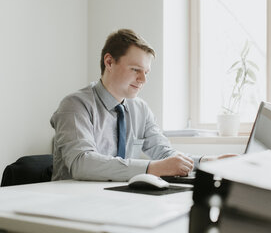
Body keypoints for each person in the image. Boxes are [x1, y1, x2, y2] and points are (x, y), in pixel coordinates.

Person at [51, 29, 235, 181]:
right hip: (73, 200)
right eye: (135, 70)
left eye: (146, 72)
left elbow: (164, 154)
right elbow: (82, 164)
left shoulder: (140, 109)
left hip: (116, 198)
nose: (143, 79)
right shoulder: (75, 106)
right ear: (109, 62)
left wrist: (206, 162)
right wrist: (151, 168)